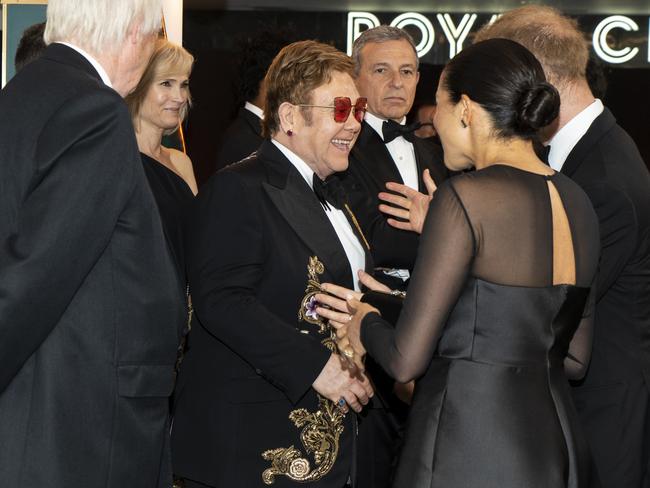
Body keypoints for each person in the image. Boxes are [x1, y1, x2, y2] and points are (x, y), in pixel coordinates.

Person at [317, 38, 601, 488]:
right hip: (554, 445)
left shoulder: (467, 198)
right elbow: (572, 357)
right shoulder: (578, 200)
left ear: (465, 109)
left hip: (467, 442)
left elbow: (405, 361)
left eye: (441, 105)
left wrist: (365, 318)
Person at [171, 40, 374, 488]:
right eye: (340, 108)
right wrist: (318, 367)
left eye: (358, 108)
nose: (355, 122)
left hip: (327, 445)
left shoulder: (339, 194)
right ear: (288, 118)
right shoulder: (238, 188)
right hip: (253, 448)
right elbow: (222, 301)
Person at [0, 1, 185, 487]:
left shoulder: (21, 94)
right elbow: (35, 273)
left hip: (39, 404)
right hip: (81, 418)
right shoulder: (96, 109)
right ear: (132, 35)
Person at [475, 8, 650, 488]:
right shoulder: (588, 154)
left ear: (539, 76)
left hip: (601, 428)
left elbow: (550, 313)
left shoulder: (604, 180)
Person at [342, 25, 448, 291]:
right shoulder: (342, 149)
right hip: (367, 304)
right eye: (381, 70)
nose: (397, 82)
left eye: (406, 71)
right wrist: (448, 237)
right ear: (354, 78)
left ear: (417, 79)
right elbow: (371, 241)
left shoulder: (440, 155)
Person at [126, 38, 197, 284]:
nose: (178, 97)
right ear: (138, 86)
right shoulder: (119, 161)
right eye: (166, 83)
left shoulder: (181, 162)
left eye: (184, 85)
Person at [215, 29, 294, 170]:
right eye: (287, 79)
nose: (293, 88)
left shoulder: (263, 131)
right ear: (267, 81)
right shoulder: (241, 140)